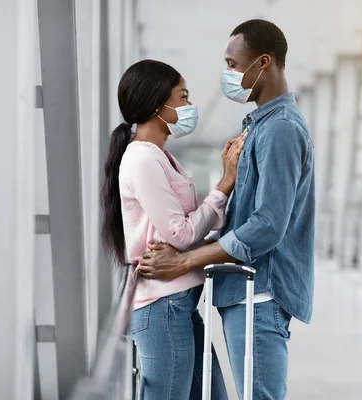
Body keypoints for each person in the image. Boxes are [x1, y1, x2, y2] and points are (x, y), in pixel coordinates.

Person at [138, 20, 315, 399]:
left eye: (234, 65)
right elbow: (245, 218)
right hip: (245, 291)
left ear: (263, 62)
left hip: (260, 293)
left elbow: (267, 226)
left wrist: (186, 262)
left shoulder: (280, 129)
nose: (229, 74)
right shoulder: (260, 127)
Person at [101, 59, 245, 400]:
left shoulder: (163, 157)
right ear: (157, 104)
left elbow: (185, 230)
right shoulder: (142, 159)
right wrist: (224, 185)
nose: (188, 106)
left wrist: (209, 229)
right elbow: (179, 233)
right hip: (162, 307)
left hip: (178, 306)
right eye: (182, 97)